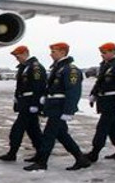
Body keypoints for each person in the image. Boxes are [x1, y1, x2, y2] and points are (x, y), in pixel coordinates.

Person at [24, 43, 91, 172]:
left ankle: (42, 162)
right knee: (61, 135)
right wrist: (45, 97)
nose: (51, 54)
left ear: (62, 52)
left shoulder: (70, 69)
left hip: (60, 107)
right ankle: (81, 159)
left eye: (53, 52)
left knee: (48, 135)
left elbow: (73, 91)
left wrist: (68, 111)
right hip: (54, 106)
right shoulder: (59, 68)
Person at [0, 46, 46, 162]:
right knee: (33, 130)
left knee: (17, 129)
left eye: (18, 56)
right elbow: (20, 86)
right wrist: (17, 98)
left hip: (30, 103)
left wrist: (35, 104)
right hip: (25, 102)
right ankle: (40, 152)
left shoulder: (35, 67)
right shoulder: (24, 67)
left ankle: (12, 153)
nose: (16, 58)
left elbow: (39, 87)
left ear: (25, 53)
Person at [85, 43, 115, 162]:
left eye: (104, 52)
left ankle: (94, 153)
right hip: (105, 101)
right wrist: (94, 94)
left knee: (102, 128)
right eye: (101, 52)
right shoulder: (106, 65)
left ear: (113, 52)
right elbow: (100, 82)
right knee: (113, 128)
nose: (102, 55)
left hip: (113, 102)